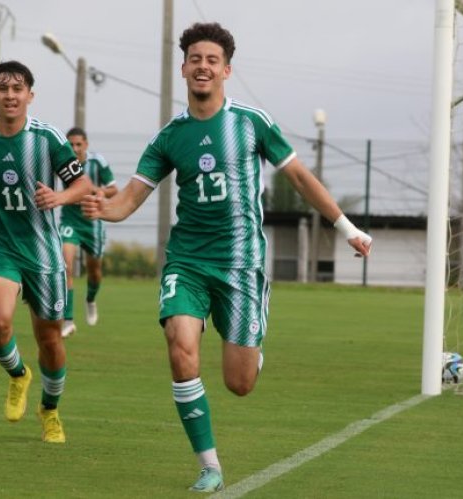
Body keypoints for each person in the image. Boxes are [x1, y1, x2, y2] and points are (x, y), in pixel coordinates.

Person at [81, 23, 372, 493]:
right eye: (195, 58)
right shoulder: (169, 137)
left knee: (239, 384)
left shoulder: (251, 122)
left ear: (226, 70)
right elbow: (129, 198)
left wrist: (347, 228)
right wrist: (100, 207)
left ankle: (252, 344)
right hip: (188, 262)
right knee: (180, 348)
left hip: (240, 264)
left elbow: (298, 177)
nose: (203, 66)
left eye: (212, 60)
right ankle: (209, 465)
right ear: (184, 68)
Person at [0, 61, 92, 444]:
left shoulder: (48, 138)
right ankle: (18, 375)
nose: (10, 95)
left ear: (30, 94)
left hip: (44, 253)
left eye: (18, 89)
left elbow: (82, 184)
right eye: (3, 88)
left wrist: (60, 196)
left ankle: (50, 410)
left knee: (50, 340)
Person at [58, 127, 118, 338]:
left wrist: (97, 191)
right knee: (65, 267)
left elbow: (113, 189)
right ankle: (68, 320)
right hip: (69, 221)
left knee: (95, 272)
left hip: (93, 223)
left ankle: (90, 300)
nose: (74, 148)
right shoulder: (63, 161)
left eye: (78, 144)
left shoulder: (97, 162)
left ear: (86, 144)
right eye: (71, 145)